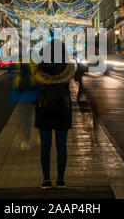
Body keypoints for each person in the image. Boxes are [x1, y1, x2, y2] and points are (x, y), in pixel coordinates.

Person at [33, 41, 76, 189]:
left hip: (44, 108)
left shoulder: (40, 68)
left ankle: (46, 180)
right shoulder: (67, 68)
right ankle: (61, 179)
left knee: (45, 146)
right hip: (62, 108)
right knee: (61, 145)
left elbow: (35, 88)